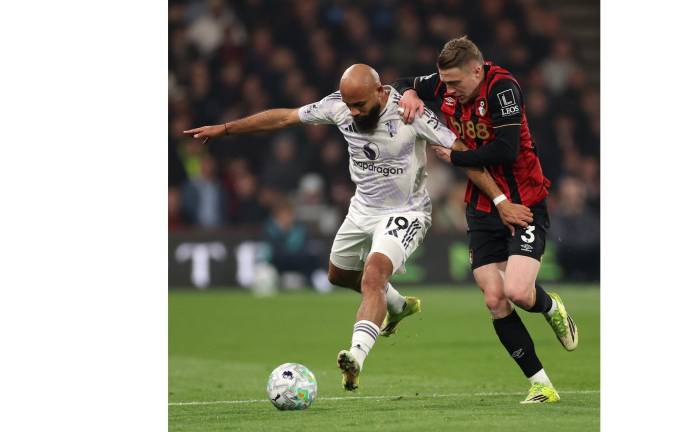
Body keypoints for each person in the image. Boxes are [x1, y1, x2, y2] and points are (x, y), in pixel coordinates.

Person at [184, 64, 532, 391]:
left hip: (407, 211)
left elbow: (460, 151)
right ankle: (398, 306)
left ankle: (356, 357)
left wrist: (501, 201)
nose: (352, 112)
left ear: (381, 92)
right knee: (338, 274)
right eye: (348, 105)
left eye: (359, 105)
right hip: (362, 209)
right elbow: (284, 118)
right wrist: (227, 129)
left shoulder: (410, 113)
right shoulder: (338, 107)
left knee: (373, 275)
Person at [393, 36, 579, 404]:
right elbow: (403, 83)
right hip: (480, 206)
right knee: (495, 299)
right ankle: (541, 384)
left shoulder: (503, 89)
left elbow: (507, 152)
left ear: (477, 71)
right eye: (443, 83)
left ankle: (550, 306)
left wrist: (454, 156)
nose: (448, 90)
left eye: (455, 83)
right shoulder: (446, 84)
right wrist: (409, 95)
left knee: (517, 292)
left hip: (522, 201)